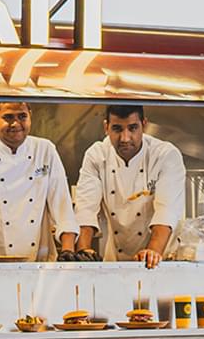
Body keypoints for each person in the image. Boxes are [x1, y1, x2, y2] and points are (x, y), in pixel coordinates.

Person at [0, 100, 78, 262]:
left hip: (38, 263)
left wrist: (68, 250)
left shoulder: (45, 150)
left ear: (30, 116)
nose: (16, 124)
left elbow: (62, 206)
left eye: (22, 116)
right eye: (8, 117)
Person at [74, 104, 185, 268]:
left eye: (133, 128)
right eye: (117, 129)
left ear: (144, 125)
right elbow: (86, 208)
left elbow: (166, 210)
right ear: (106, 127)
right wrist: (83, 251)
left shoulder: (165, 154)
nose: (125, 138)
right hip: (116, 262)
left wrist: (153, 252)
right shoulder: (96, 155)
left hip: (161, 260)